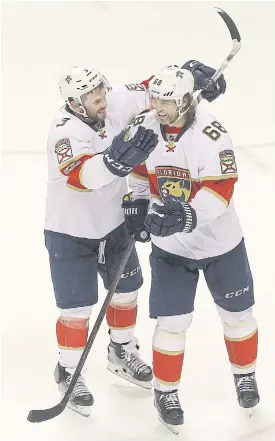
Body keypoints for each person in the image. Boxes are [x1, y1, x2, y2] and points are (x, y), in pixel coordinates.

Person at [44, 61, 226, 417]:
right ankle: (68, 370)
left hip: (113, 227)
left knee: (126, 293)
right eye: (92, 96)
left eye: (101, 90)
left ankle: (121, 350)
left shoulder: (114, 102)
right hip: (70, 233)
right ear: (76, 103)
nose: (102, 99)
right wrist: (113, 161)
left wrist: (192, 71)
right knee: (77, 310)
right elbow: (81, 177)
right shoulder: (64, 132)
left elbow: (154, 87)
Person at [123, 65, 259, 432]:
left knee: (238, 316)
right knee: (172, 323)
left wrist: (187, 216)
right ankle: (165, 391)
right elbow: (138, 173)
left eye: (166, 101)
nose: (158, 106)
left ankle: (244, 374)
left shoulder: (211, 134)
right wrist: (135, 205)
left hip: (221, 245)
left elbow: (221, 189)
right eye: (156, 98)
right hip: (171, 248)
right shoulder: (147, 126)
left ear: (185, 100)